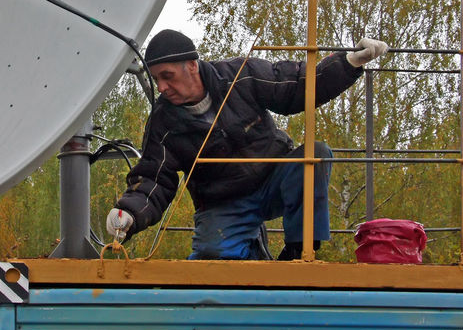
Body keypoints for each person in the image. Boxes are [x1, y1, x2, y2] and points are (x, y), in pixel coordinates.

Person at [106, 29, 388, 260]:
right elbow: (155, 178)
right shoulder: (163, 120)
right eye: (157, 80)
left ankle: (300, 250)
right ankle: (254, 252)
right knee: (212, 258)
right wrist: (129, 213)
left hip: (273, 179)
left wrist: (349, 62)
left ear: (192, 65)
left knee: (315, 155)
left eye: (167, 76)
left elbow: (295, 85)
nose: (163, 87)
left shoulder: (240, 75)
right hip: (223, 202)